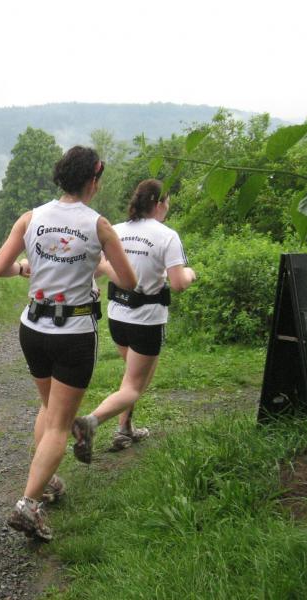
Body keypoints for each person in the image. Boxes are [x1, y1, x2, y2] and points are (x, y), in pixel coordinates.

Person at [0, 146, 136, 541]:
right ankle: (28, 504)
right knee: (58, 423)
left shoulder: (31, 218)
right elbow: (129, 281)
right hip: (73, 333)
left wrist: (25, 267)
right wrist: (99, 265)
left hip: (32, 328)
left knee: (48, 408)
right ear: (93, 179)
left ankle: (47, 480)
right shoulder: (99, 226)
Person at [71, 178, 196, 463]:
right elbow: (178, 283)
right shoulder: (167, 236)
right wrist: (191, 273)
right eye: (167, 202)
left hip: (118, 317)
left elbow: (96, 268)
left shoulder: (116, 230)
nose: (167, 207)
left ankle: (124, 429)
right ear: (158, 203)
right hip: (147, 321)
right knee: (134, 386)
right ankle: (89, 422)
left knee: (132, 376)